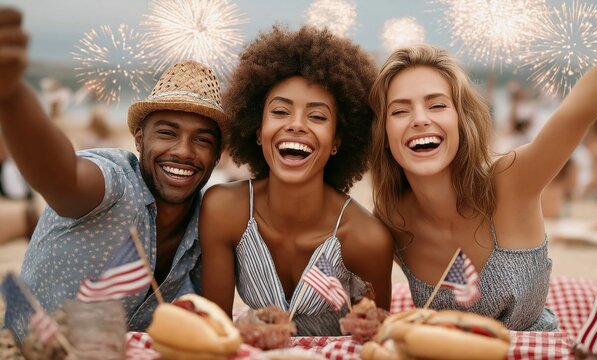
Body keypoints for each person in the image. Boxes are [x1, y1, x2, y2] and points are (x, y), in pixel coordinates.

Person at [367, 33, 597, 331]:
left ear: (462, 121)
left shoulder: (512, 180)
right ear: (383, 136)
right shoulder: (390, 220)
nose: (420, 119)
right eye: (399, 110)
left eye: (437, 106)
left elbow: (580, 109)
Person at [0, 7, 227, 339]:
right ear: (138, 139)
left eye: (202, 140)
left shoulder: (206, 223)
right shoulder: (116, 181)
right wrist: (12, 94)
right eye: (167, 133)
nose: (183, 150)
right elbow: (60, 176)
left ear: (218, 155)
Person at [199, 26, 394, 336]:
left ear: (337, 141)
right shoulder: (223, 210)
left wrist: (370, 325)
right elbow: (216, 333)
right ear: (258, 130)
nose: (296, 125)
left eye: (317, 116)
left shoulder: (367, 238)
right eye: (280, 111)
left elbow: (375, 342)